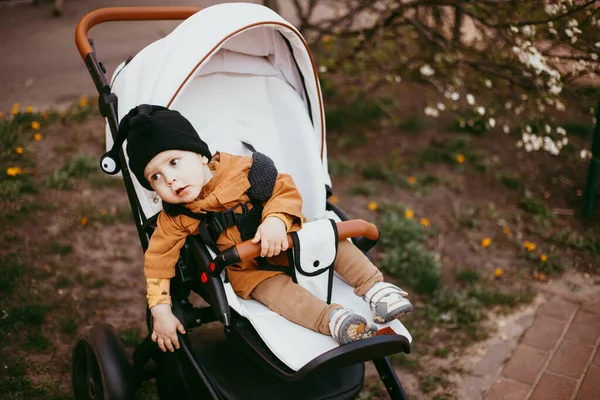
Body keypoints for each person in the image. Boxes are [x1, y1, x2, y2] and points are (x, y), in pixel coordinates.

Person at [101, 104, 413, 353]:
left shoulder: (243, 170)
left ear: (199, 154)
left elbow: (283, 188)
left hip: (291, 242)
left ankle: (375, 289)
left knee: (334, 240)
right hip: (250, 270)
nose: (168, 179)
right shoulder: (175, 217)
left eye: (173, 163)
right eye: (154, 177)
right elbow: (158, 263)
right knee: (278, 295)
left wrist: (275, 219)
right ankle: (332, 320)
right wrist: (160, 310)